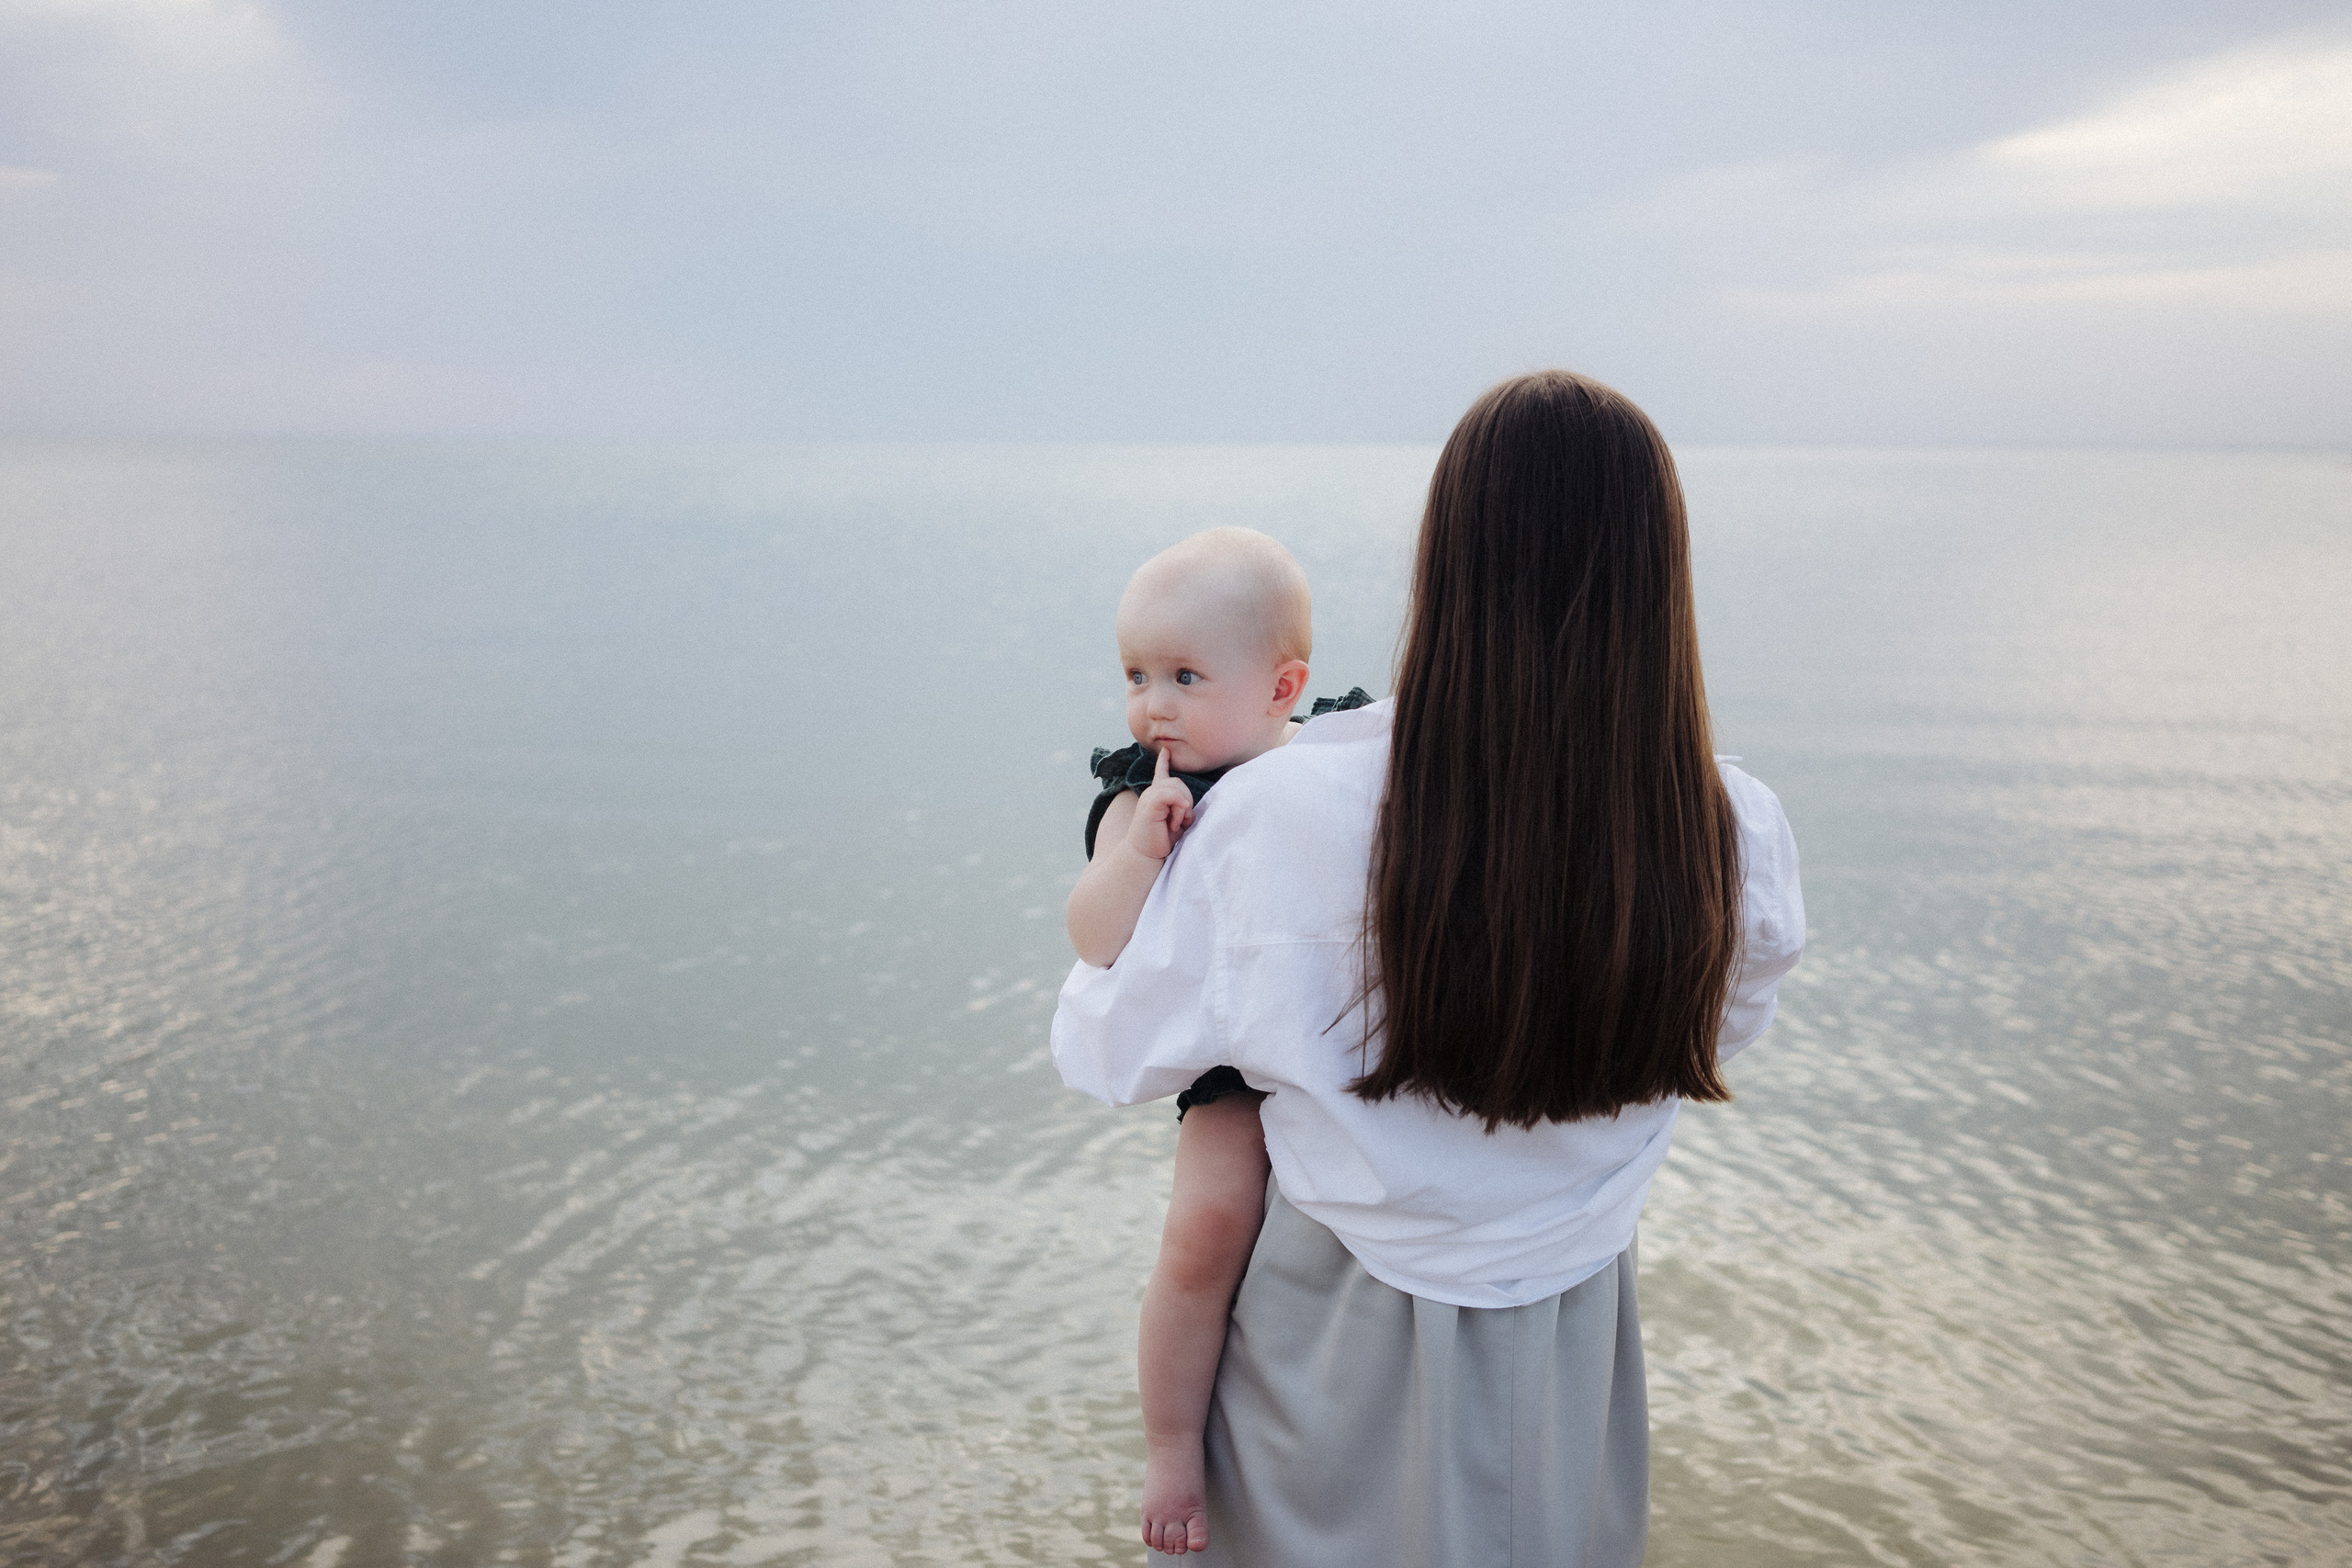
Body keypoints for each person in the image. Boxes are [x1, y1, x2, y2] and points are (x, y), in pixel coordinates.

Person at [1052, 371, 1806, 1565]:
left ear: (1446, 560)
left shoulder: (1289, 809)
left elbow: (1111, 1047)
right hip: (1574, 1326)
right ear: (1659, 576)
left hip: (1337, 1319)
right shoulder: (1728, 819)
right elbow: (1723, 1033)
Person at [1065, 525, 1356, 1556]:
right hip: (1229, 1067)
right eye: (1136, 674)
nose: (1153, 704)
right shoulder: (1140, 793)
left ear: (1283, 688)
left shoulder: (1334, 757)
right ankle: (1173, 1446)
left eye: (1185, 675)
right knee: (1203, 1235)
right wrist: (1140, 849)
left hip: (1334, 1032)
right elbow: (1095, 937)